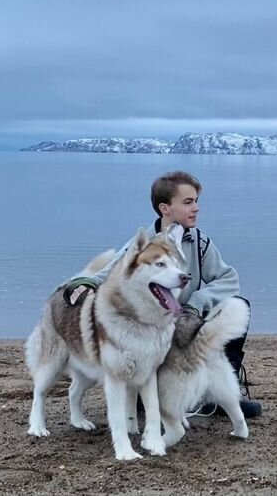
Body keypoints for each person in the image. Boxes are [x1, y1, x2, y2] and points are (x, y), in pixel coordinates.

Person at [64, 170, 262, 419]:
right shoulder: (145, 245)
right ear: (164, 208)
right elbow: (111, 271)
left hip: (188, 319)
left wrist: (197, 303)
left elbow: (228, 278)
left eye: (196, 201)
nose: (196, 208)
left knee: (238, 305)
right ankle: (139, 395)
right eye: (188, 202)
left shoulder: (200, 242)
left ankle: (223, 396)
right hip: (152, 328)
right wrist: (85, 283)